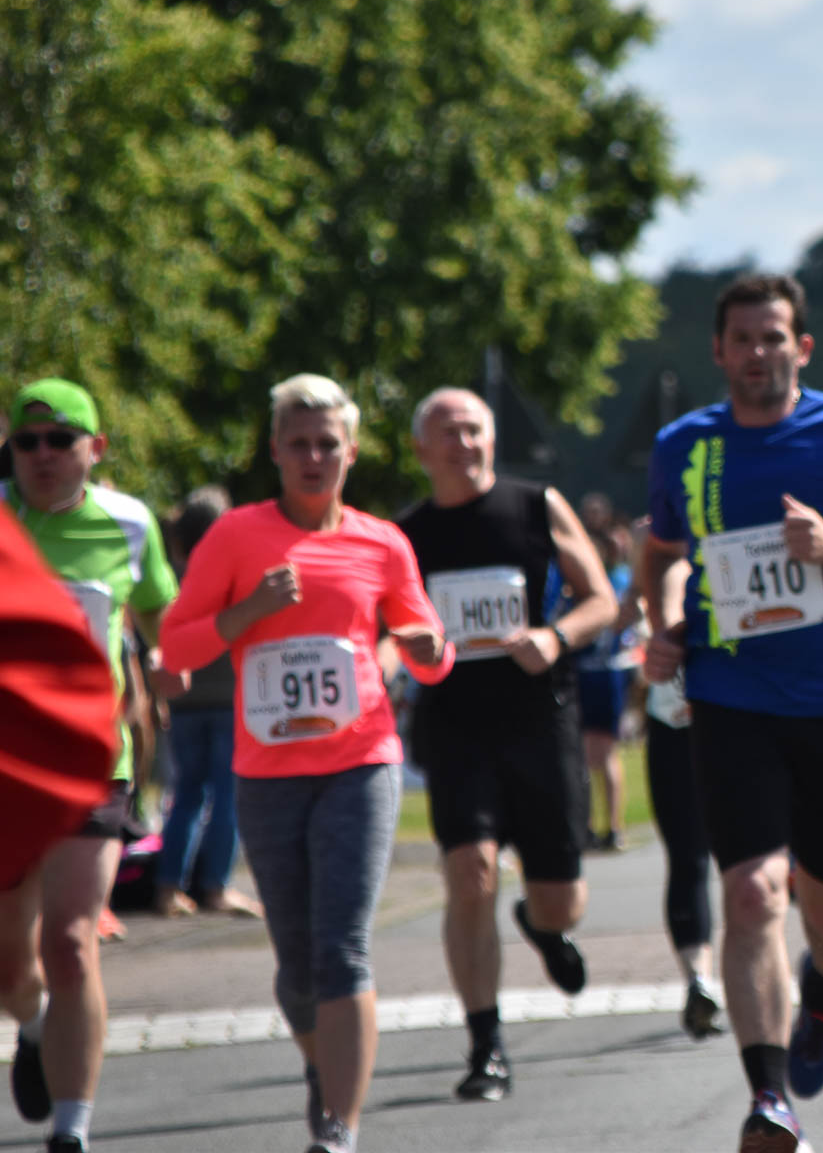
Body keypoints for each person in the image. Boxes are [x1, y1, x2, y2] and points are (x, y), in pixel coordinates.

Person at [639, 273, 823, 1153]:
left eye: (774, 337)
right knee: (749, 891)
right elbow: (661, 549)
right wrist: (663, 624)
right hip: (729, 695)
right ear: (718, 351)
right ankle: (770, 1100)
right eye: (742, 339)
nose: (758, 353)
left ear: (802, 348)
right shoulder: (685, 445)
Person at [162, 373, 454, 1153]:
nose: (313, 457)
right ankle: (327, 1070)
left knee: (342, 948)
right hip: (267, 773)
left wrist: (428, 648)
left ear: (351, 453)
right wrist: (251, 609)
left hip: (361, 761)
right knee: (297, 968)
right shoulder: (236, 536)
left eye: (328, 444)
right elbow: (179, 643)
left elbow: (429, 650)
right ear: (275, 451)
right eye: (299, 443)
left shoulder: (382, 541)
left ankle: (339, 1131)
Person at [398, 388, 615, 1104]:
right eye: (448, 432)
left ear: (492, 439)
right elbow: (387, 630)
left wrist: (555, 636)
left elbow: (601, 600)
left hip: (540, 720)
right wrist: (400, 654)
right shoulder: (406, 534)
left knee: (562, 901)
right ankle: (485, 1044)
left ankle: (543, 928)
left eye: (474, 430)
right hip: (456, 726)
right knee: (471, 876)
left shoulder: (536, 506)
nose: (463, 443)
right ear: (421, 449)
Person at [1, 377, 183, 1153]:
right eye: (26, 442)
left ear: (96, 448)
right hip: (7, 767)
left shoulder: (132, 524)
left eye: (60, 440)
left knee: (72, 941)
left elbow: (161, 612)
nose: (42, 455)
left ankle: (71, 1130)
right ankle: (34, 1025)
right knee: (11, 968)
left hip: (93, 761)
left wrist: (167, 658)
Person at [154, 486, 262, 919]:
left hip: (184, 703)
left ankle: (169, 888)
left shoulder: (172, 576)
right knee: (227, 797)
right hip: (229, 701)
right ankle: (216, 886)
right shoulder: (232, 572)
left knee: (185, 796)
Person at [0, 503, 120, 890]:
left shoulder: (130, 521)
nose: (44, 466)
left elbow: (161, 623)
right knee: (18, 923)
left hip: (85, 755)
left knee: (72, 924)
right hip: (24, 760)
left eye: (62, 439)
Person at [634, 553, 725, 1039]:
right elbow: (639, 606)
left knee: (758, 862)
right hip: (673, 723)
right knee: (688, 858)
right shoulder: (658, 547)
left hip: (742, 720)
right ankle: (699, 981)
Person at [576, 524, 637, 852]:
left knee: (605, 751)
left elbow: (627, 618)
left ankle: (613, 827)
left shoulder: (618, 580)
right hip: (582, 673)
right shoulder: (575, 584)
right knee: (585, 753)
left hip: (608, 672)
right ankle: (586, 826)